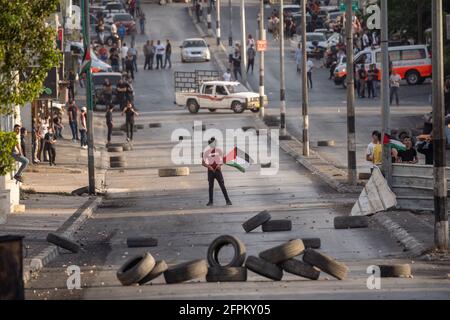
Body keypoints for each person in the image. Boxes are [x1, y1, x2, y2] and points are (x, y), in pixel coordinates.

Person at [202, 137, 232, 206]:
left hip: (218, 170)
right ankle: (210, 201)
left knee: (222, 185)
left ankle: (228, 200)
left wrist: (219, 165)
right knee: (210, 186)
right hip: (210, 171)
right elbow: (203, 163)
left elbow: (224, 160)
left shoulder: (219, 151)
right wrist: (209, 166)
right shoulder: (206, 152)